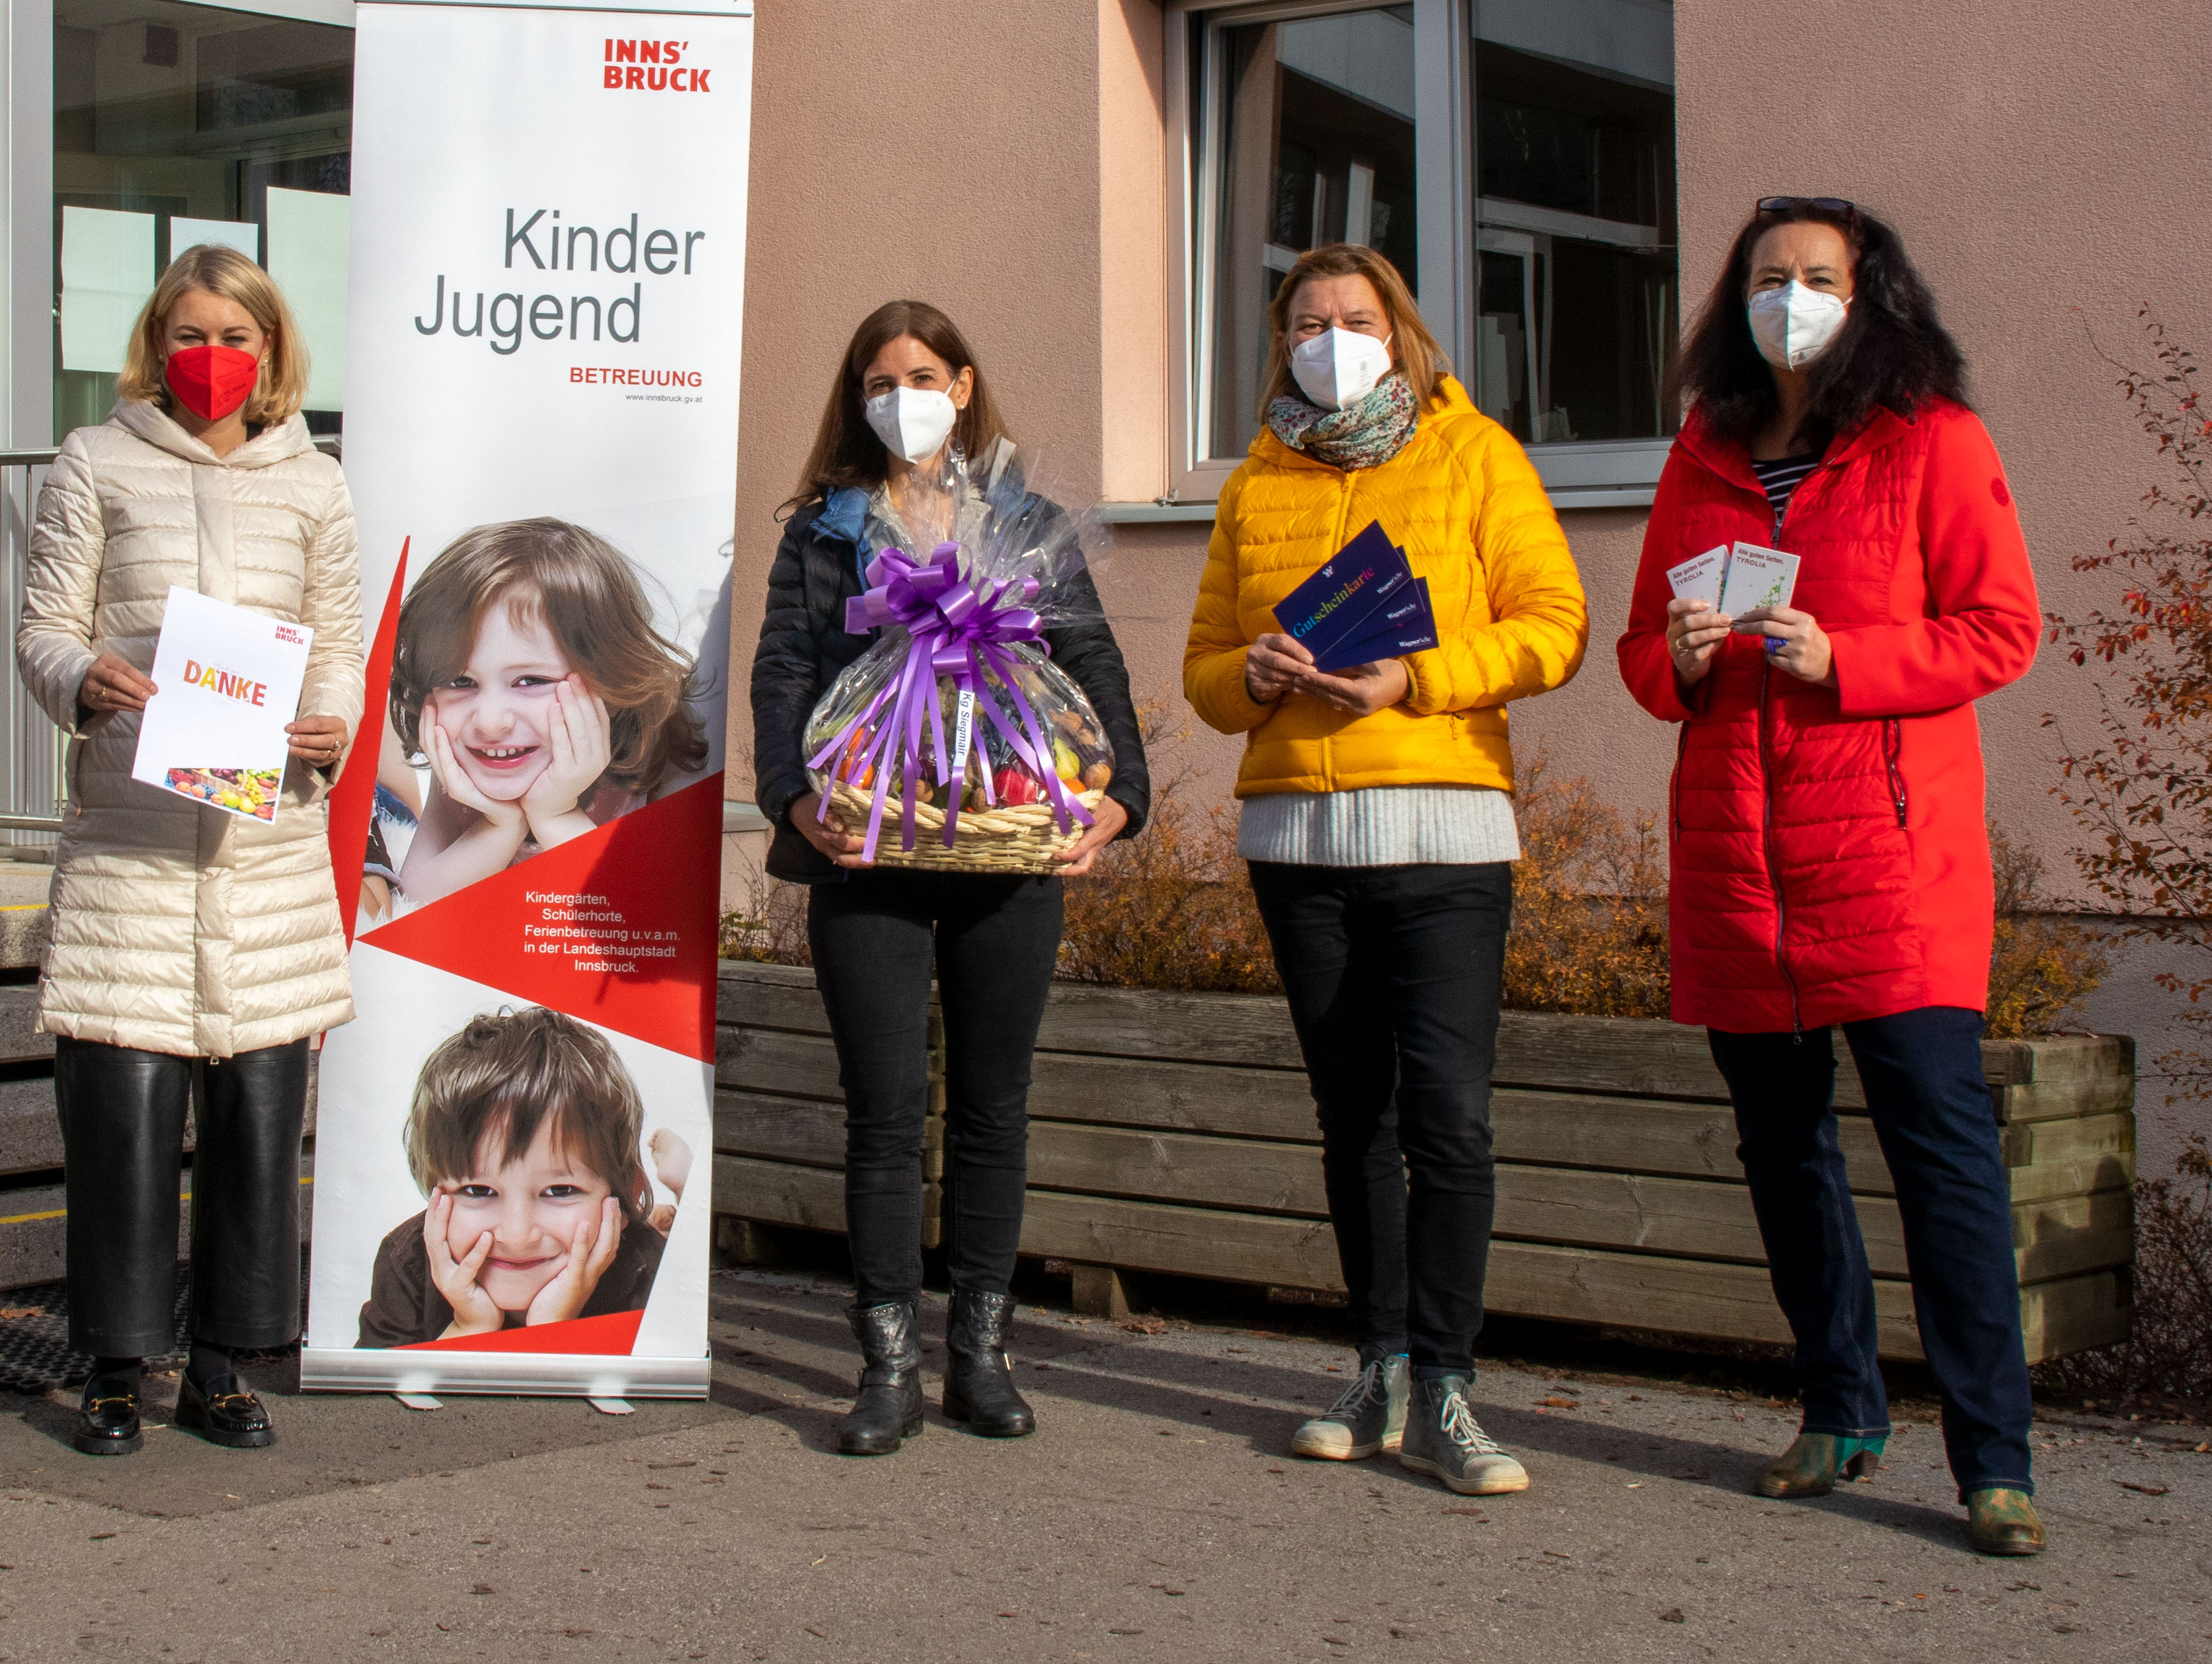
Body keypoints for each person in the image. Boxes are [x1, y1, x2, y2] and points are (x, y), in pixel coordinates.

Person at [1617, 196, 2045, 1556]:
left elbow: (2000, 628)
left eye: (1815, 277)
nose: (1787, 299)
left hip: (1890, 860)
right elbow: (1639, 654)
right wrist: (1682, 657)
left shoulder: (1933, 439)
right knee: (1782, 1152)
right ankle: (1835, 1407)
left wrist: (1843, 659)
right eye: (1766, 277)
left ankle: (1992, 1461)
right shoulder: (1703, 450)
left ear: (1870, 299)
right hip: (1737, 863)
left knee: (1941, 1157)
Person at [1181, 243, 1586, 1497]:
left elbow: (1553, 625)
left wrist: (1416, 678)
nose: (1330, 340)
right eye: (1307, 323)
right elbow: (1202, 674)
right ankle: (1380, 1367)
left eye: (1353, 319)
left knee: (1448, 1119)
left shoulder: (1476, 455)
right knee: (1351, 1119)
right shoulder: (1255, 481)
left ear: (1398, 331)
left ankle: (1449, 1388)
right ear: (1281, 343)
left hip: (1444, 836)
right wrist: (1247, 677)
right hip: (1296, 846)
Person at [751, 299, 1148, 1456]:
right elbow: (783, 668)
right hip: (868, 849)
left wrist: (1120, 796)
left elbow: (1089, 655)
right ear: (856, 398)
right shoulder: (824, 530)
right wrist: (792, 797)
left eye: (921, 377)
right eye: (878, 383)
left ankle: (979, 1352)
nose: (901, 400)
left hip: (1006, 851)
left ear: (962, 387)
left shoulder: (1024, 521)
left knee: (990, 1108)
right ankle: (886, 1363)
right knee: (880, 1114)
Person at [15, 243, 364, 1458]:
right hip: (133, 850)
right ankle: (115, 1368)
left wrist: (333, 721)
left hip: (266, 855)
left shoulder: (313, 482)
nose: (211, 358)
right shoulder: (93, 460)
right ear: (156, 343)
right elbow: (42, 627)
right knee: (121, 1129)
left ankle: (219, 1367)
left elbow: (336, 643)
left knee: (255, 1130)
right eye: (190, 334)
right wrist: (82, 677)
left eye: (235, 337)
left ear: (270, 351)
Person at [381, 518, 711, 912]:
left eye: (531, 680)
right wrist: (500, 826)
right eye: (460, 682)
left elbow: (645, 920)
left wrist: (556, 815)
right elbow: (414, 901)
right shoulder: (463, 762)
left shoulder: (658, 755)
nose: (489, 723)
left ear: (612, 680)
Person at [354, 1006, 694, 1345]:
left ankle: (686, 1199)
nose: (517, 1236)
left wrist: (552, 1332)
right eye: (478, 1191)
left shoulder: (655, 1281)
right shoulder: (407, 1265)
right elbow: (375, 1381)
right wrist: (467, 1329)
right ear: (436, 1196)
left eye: (560, 1190)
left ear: (625, 1198)